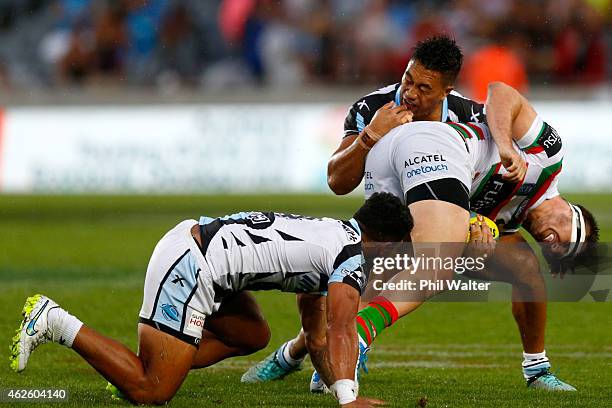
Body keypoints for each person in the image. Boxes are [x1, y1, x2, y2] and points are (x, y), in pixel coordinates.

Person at [243, 81, 599, 391]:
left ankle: (537, 368)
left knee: (522, 265)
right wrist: (506, 146)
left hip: (432, 195)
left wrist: (475, 230)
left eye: (557, 253)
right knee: (368, 279)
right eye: (567, 242)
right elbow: (501, 93)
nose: (552, 244)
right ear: (577, 214)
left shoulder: (510, 219)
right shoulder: (549, 155)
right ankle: (300, 352)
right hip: (414, 168)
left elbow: (461, 213)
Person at [10, 193, 413, 407]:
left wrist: (331, 385)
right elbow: (343, 328)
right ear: (383, 240)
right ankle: (52, 320)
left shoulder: (331, 235)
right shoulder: (352, 256)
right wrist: (349, 399)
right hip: (194, 265)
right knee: (152, 391)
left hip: (198, 249)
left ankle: (139, 364)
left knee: (252, 335)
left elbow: (318, 332)